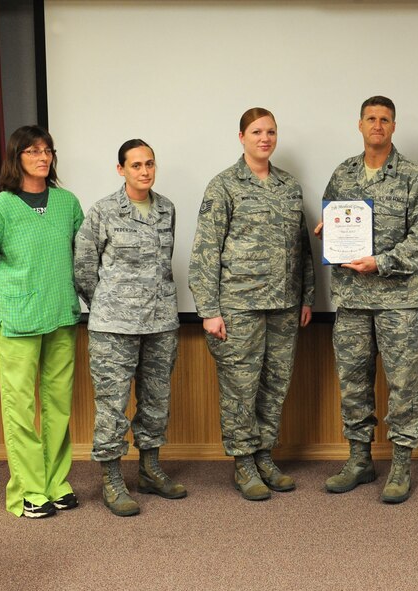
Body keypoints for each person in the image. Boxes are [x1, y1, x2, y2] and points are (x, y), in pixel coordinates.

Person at [317, 95, 418, 504]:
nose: (378, 125)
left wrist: (382, 262)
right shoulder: (344, 173)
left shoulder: (411, 176)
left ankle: (402, 463)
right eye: (371, 118)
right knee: (353, 382)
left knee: (403, 383)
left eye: (385, 119)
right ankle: (359, 459)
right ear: (360, 124)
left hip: (397, 300)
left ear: (393, 126)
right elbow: (334, 216)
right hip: (352, 300)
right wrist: (327, 230)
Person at [189, 108, 315, 501]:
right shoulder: (224, 185)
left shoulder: (289, 186)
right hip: (239, 306)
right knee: (241, 388)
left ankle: (264, 455)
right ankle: (243, 462)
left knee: (274, 385)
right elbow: (206, 251)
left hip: (283, 304)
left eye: (271, 131)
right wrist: (209, 311)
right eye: (257, 132)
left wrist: (306, 297)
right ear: (241, 136)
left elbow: (303, 249)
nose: (265, 138)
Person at [0, 125, 84, 518]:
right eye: (33, 151)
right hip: (17, 324)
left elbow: (80, 257)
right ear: (16, 158)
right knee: (19, 407)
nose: (42, 157)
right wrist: (7, 305)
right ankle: (30, 491)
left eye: (47, 151)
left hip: (60, 317)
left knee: (59, 405)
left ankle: (56, 483)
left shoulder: (68, 203)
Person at [74, 139, 186, 517]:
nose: (144, 171)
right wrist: (109, 305)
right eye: (136, 165)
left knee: (156, 402)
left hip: (160, 323)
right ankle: (112, 479)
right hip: (113, 327)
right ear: (121, 169)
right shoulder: (103, 211)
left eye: (150, 163)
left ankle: (151, 470)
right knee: (112, 407)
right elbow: (84, 268)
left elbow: (164, 263)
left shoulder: (167, 209)